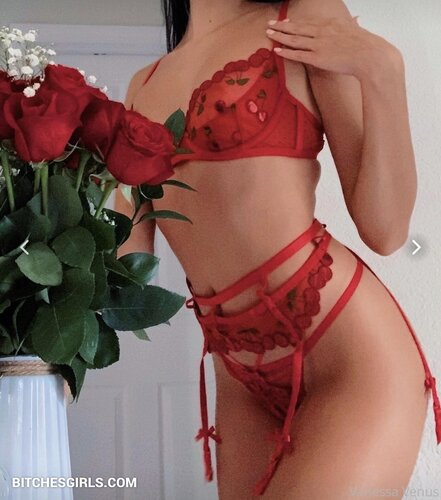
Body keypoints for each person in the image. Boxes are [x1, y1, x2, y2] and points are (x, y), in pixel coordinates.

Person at [116, 0, 441, 497]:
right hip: (238, 379)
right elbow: (126, 277)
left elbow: (386, 229)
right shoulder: (143, 84)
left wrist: (384, 70)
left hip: (347, 357)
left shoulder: (302, 16)